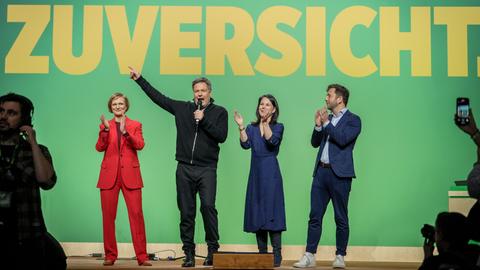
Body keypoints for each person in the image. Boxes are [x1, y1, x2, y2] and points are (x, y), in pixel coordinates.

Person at [128, 67, 228, 267]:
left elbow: (221, 136)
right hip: (184, 168)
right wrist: (140, 79)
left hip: (207, 168)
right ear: (193, 93)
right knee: (186, 211)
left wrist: (204, 119)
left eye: (203, 90)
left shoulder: (219, 112)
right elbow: (159, 98)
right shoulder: (183, 109)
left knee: (208, 207)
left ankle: (212, 250)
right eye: (196, 90)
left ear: (210, 92)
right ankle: (189, 253)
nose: (199, 93)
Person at [294, 84, 361, 269]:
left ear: (339, 99)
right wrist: (317, 126)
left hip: (340, 175)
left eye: (329, 95)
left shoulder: (354, 120)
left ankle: (340, 255)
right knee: (315, 215)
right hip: (321, 173)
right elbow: (315, 143)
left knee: (341, 217)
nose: (326, 98)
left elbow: (341, 138)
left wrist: (325, 124)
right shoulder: (327, 119)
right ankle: (309, 255)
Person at [0, 93, 66, 269]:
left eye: (11, 113)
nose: (3, 117)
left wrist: (33, 143)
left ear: (24, 120)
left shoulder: (36, 151)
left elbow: (47, 181)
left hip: (26, 233)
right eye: (1, 111)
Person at [95, 93, 151, 266]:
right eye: (114, 104)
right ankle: (110, 255)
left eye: (120, 104)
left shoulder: (135, 125)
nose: (118, 106)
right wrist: (104, 130)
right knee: (108, 217)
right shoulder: (106, 125)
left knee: (136, 215)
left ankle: (142, 257)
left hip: (131, 176)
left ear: (126, 106)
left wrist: (126, 133)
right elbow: (99, 147)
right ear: (110, 107)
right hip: (109, 176)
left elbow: (140, 145)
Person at [233, 94, 286, 267]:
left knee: (273, 213)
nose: (263, 107)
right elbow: (245, 145)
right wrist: (241, 127)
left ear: (274, 109)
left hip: (271, 174)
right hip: (256, 174)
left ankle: (276, 254)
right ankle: (262, 254)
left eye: (267, 104)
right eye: (261, 104)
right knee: (258, 213)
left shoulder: (278, 127)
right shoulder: (251, 127)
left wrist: (265, 123)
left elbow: (272, 141)